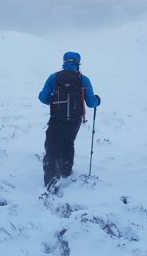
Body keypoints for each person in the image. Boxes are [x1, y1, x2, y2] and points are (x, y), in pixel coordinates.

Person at [38, 52, 100, 190]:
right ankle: (65, 170)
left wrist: (52, 100)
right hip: (75, 121)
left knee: (52, 148)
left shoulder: (53, 78)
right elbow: (91, 103)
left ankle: (51, 179)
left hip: (56, 120)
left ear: (64, 62)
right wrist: (98, 100)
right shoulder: (84, 80)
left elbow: (43, 98)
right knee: (68, 142)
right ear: (78, 63)